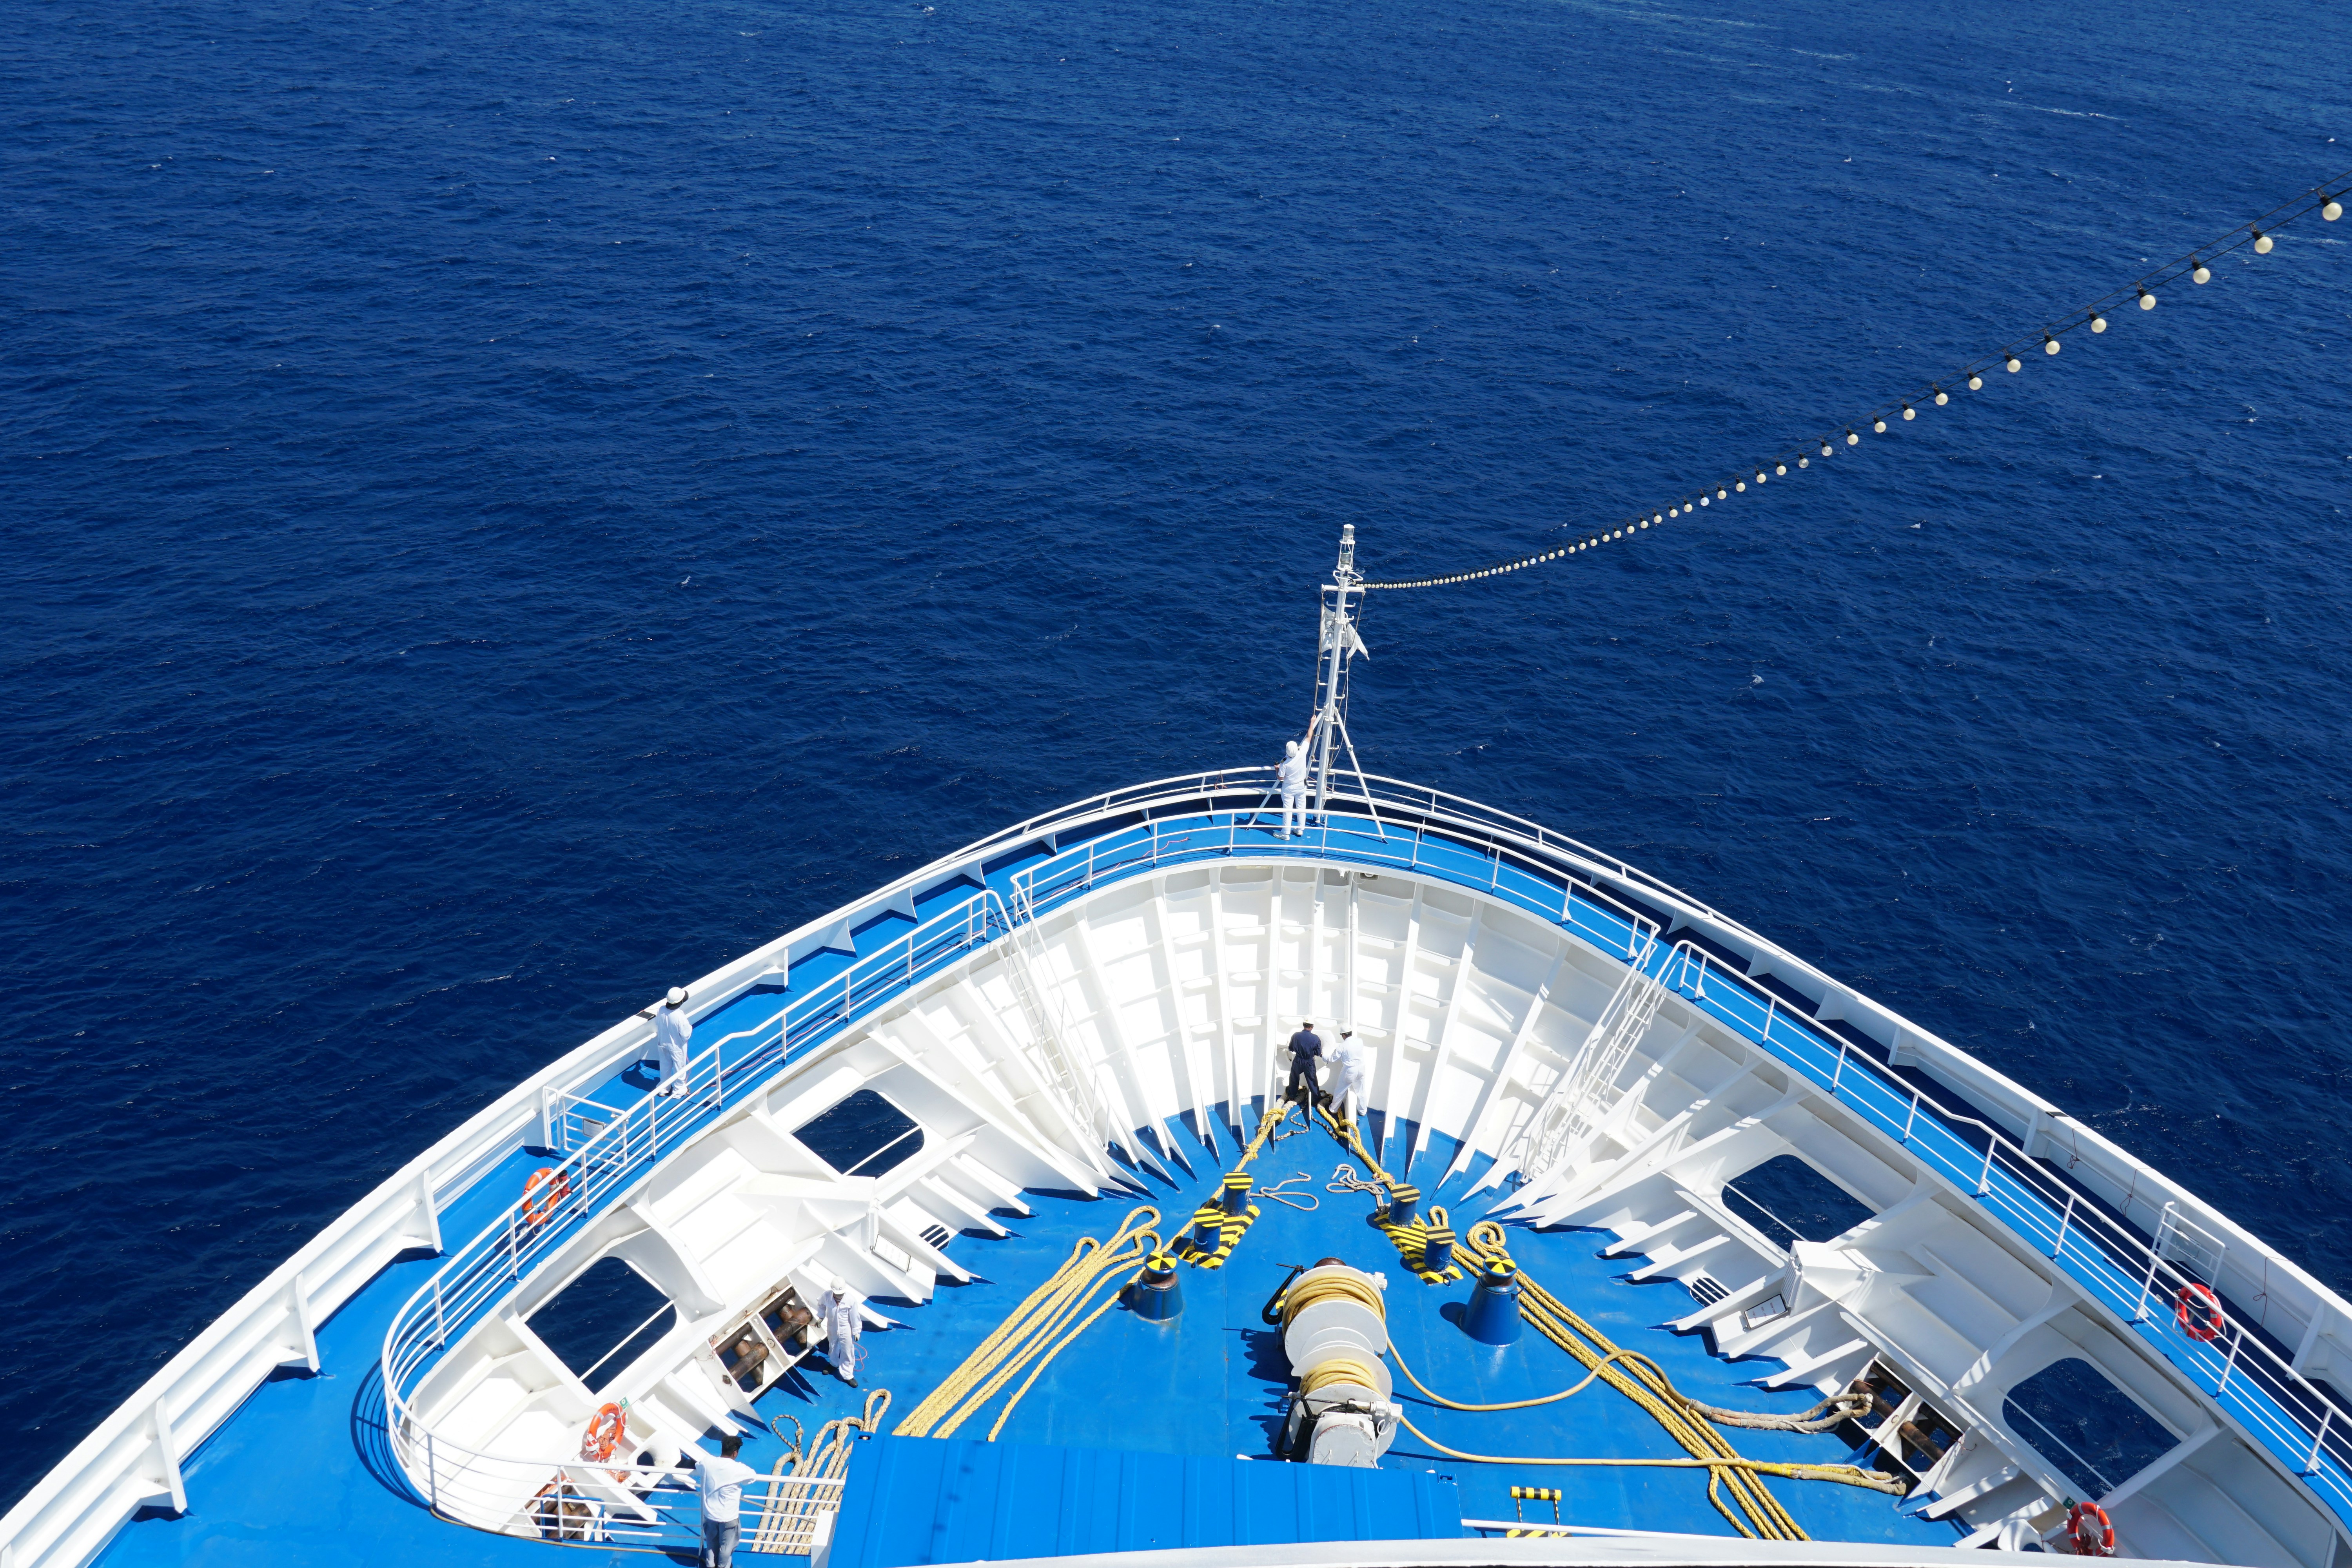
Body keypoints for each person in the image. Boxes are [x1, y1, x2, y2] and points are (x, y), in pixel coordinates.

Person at [692, 1430, 759, 1568]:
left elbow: (698, 1466)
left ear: (723, 1449)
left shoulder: (708, 1462)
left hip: (710, 1515)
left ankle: (710, 1565)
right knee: (727, 1547)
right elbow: (752, 1477)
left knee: (711, 1543)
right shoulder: (739, 1469)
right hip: (729, 1517)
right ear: (735, 1453)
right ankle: (722, 1567)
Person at [815, 1276, 863, 1386]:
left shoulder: (851, 1300)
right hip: (832, 1327)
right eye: (837, 1294)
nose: (839, 1297)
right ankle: (834, 1364)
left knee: (847, 1350)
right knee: (833, 1346)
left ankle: (848, 1375)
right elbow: (821, 1305)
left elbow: (855, 1316)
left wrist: (856, 1331)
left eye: (841, 1294)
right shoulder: (826, 1296)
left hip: (846, 1328)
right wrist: (821, 1317)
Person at [654, 987, 692, 1098]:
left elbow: (658, 1023)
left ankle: (663, 1089)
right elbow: (686, 1035)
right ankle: (679, 1091)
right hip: (677, 1047)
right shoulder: (680, 1016)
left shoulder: (661, 1010)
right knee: (679, 1068)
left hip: (662, 1044)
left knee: (665, 1066)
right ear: (680, 1002)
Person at [1329, 1029, 1368, 1125]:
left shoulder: (1342, 1046)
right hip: (1361, 1069)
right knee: (1361, 1091)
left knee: (1340, 1090)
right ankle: (1363, 1111)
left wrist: (1324, 1057)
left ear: (1343, 1035)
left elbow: (1332, 1059)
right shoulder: (1360, 1041)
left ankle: (1333, 1109)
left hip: (1350, 1071)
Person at [1285, 1020, 1324, 1109]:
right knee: (1312, 1080)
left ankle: (1292, 1095)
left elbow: (1291, 1048)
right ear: (1312, 1027)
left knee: (1294, 1077)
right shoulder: (1316, 1038)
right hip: (1309, 1062)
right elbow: (1318, 1052)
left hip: (1298, 1061)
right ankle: (1316, 1099)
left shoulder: (1296, 1035)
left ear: (1304, 1025)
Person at [1276, 739, 1309, 838]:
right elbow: (1309, 738)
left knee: (1288, 810)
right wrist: (1311, 728)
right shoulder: (1302, 753)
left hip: (1289, 788)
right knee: (1301, 808)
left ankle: (1286, 834)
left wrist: (1277, 769)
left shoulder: (1284, 763)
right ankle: (1300, 830)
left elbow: (1280, 778)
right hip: (1301, 786)